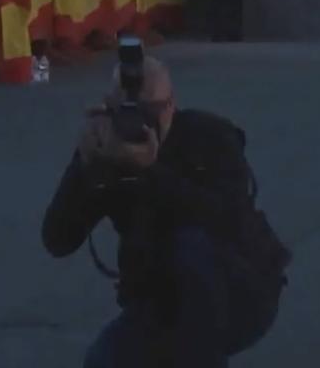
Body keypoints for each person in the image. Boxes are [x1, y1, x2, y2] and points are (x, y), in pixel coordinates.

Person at [42, 54, 287, 367]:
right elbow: (57, 240)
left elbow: (225, 220)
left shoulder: (210, 137)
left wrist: (149, 170)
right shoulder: (110, 153)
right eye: (126, 112)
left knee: (190, 245)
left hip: (241, 292)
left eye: (149, 111)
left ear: (171, 105)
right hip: (161, 299)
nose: (138, 122)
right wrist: (84, 165)